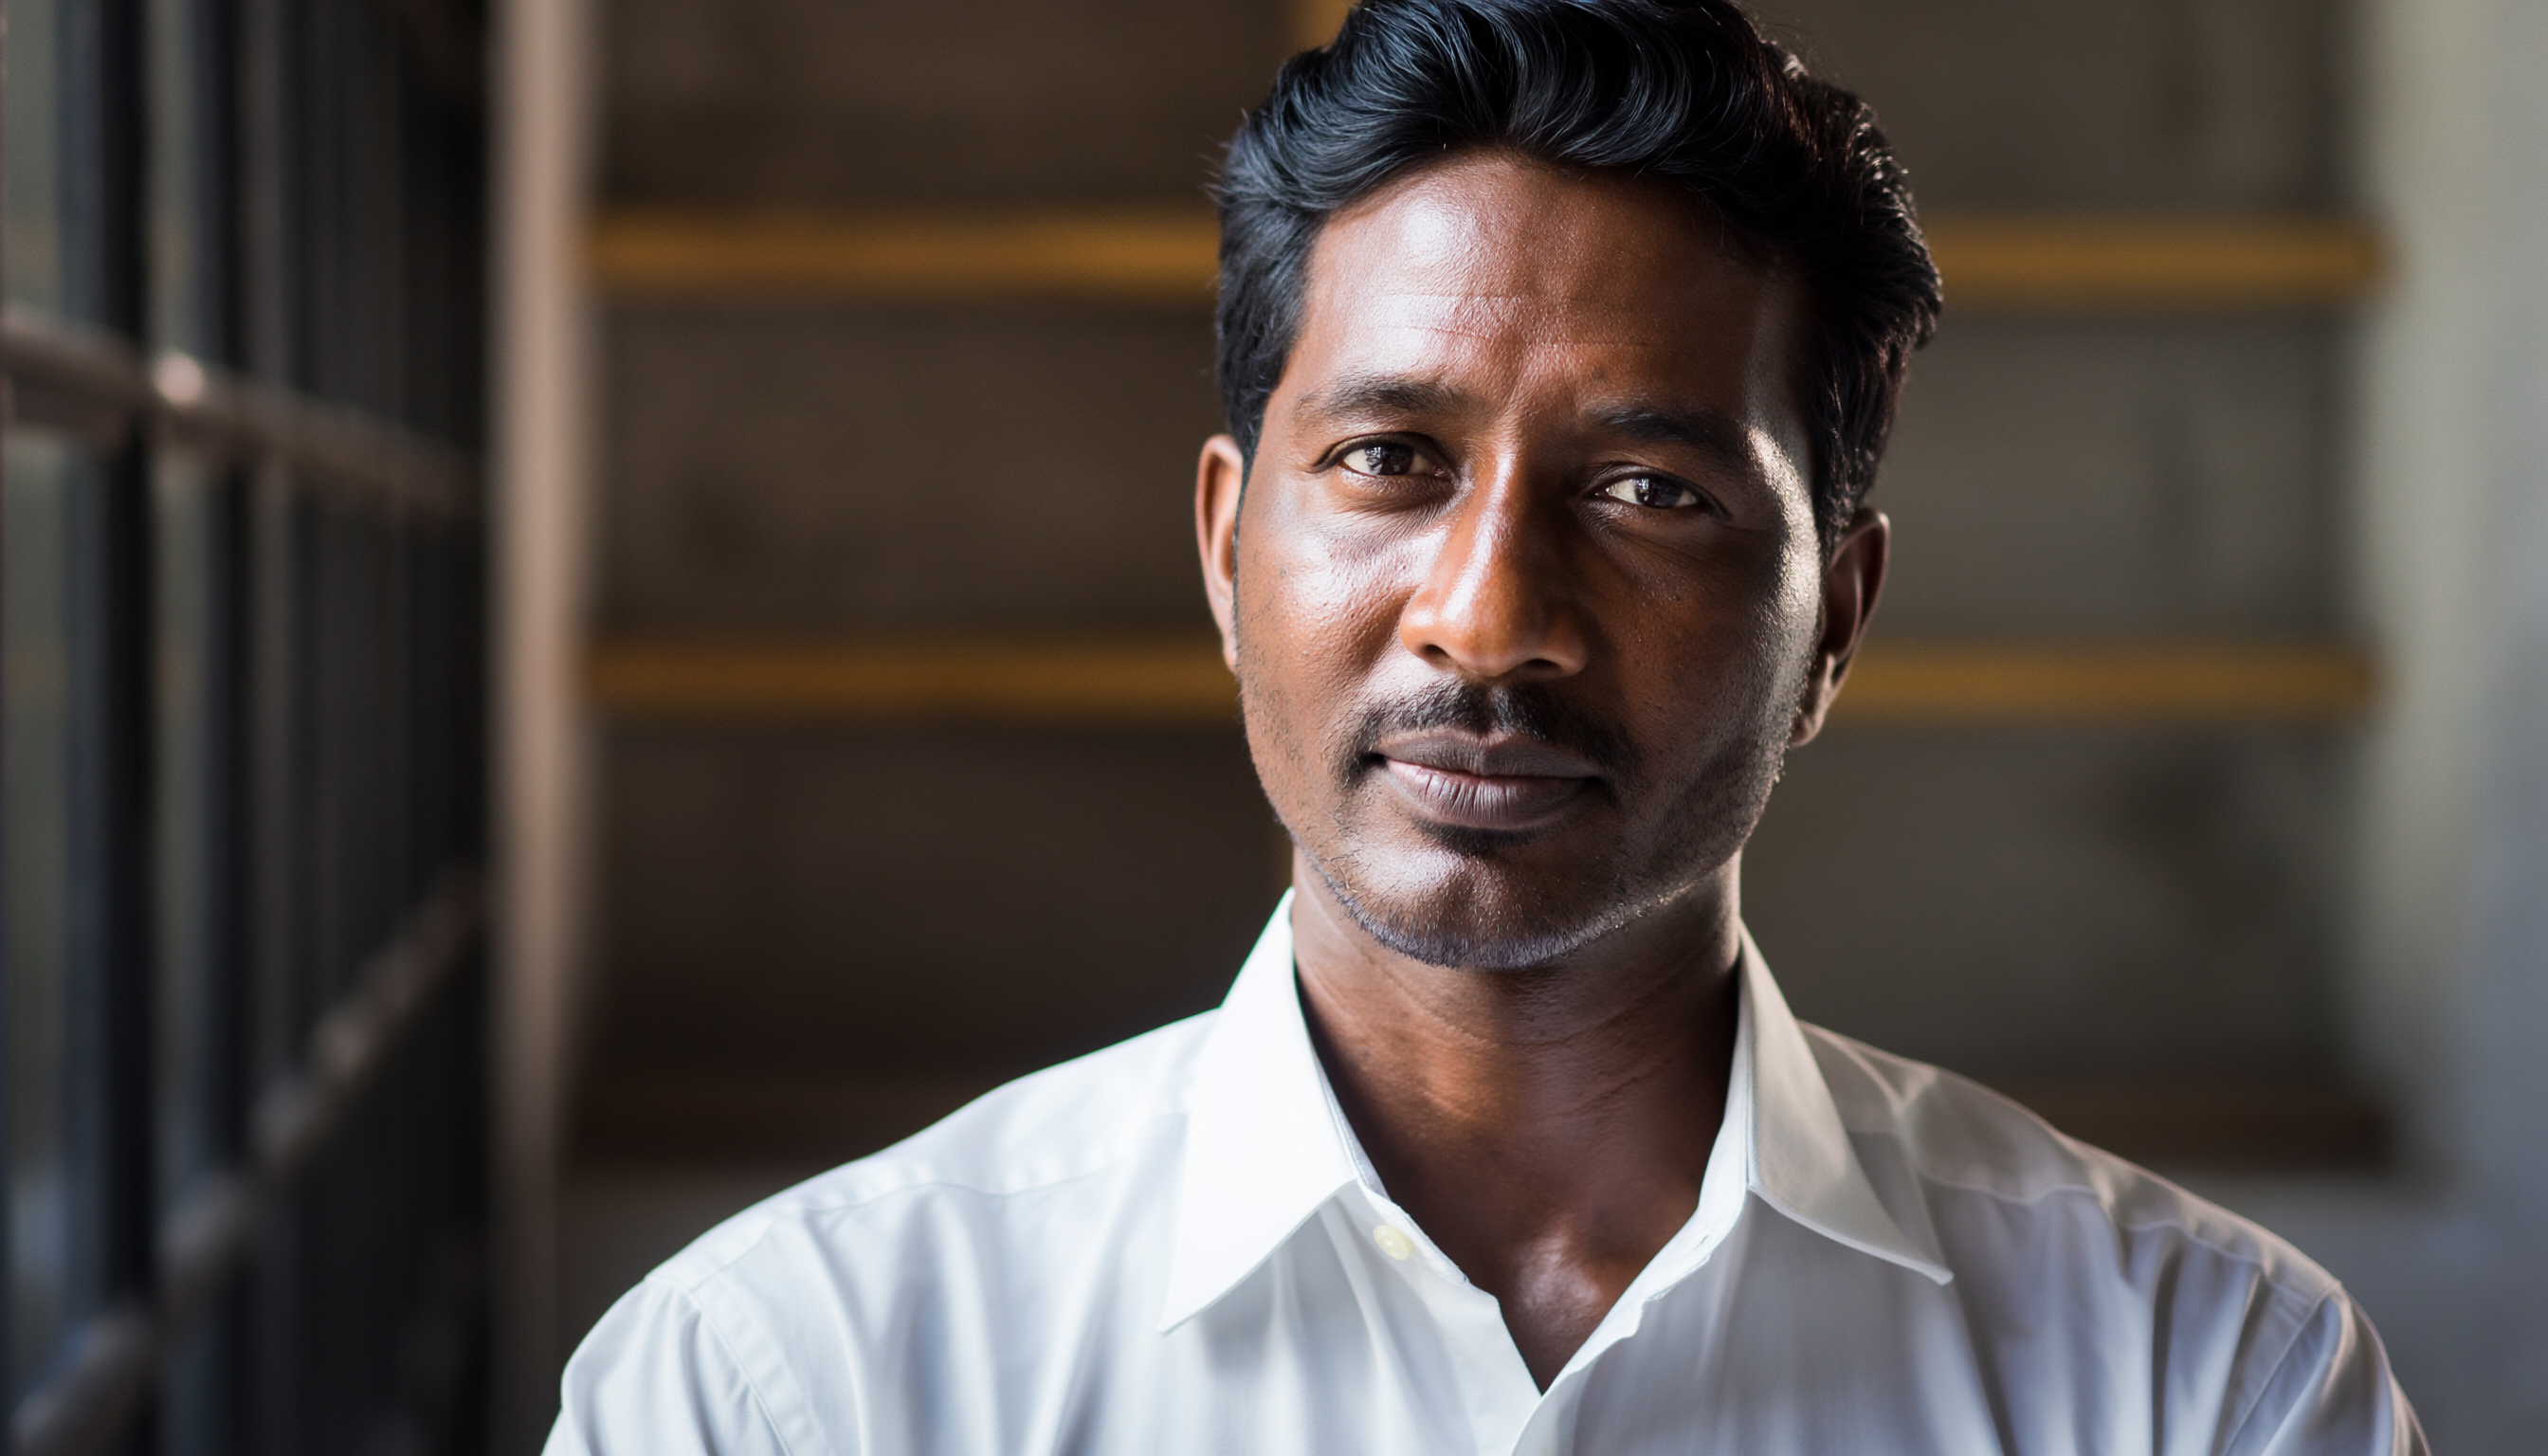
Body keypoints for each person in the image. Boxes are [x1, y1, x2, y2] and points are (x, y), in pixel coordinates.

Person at [547, 2, 2423, 1450]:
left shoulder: (2200, 1387)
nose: (1490, 618)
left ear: (1835, 621)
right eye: (1391, 460)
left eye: (1651, 493)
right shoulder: (792, 1382)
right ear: (1225, 549)